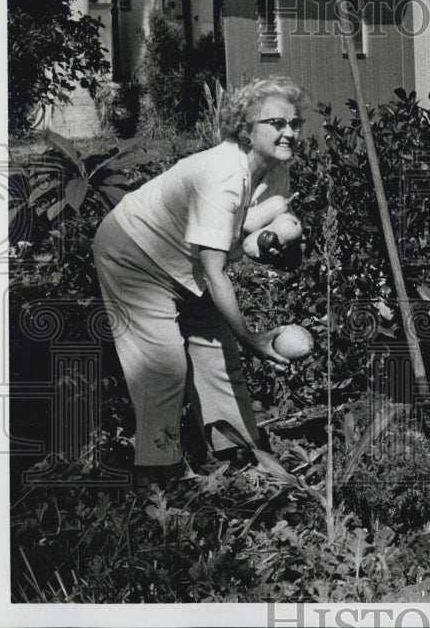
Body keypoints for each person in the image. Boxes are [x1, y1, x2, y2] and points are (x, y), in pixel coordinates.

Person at [93, 76, 306, 494]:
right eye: (277, 122)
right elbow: (215, 270)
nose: (289, 132)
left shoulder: (276, 174)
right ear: (247, 128)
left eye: (295, 123)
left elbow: (247, 241)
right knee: (163, 367)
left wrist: (278, 245)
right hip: (134, 253)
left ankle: (240, 456)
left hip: (184, 260)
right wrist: (252, 337)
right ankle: (158, 480)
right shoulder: (221, 174)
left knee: (218, 356)